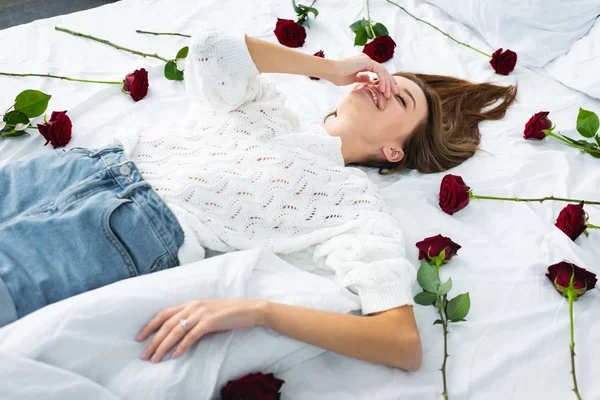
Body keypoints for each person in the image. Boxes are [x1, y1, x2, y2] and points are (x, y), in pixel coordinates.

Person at [0, 28, 516, 371]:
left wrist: (259, 311)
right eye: (384, 79)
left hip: (132, 230)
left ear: (393, 151)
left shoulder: (352, 206)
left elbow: (402, 343)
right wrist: (331, 66)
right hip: (80, 166)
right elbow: (212, 46)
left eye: (399, 98)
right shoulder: (268, 106)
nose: (380, 86)